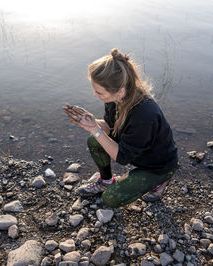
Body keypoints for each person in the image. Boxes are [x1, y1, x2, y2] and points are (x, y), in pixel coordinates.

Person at [63, 48, 178, 208]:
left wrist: (95, 129)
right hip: (137, 151)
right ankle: (106, 181)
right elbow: (109, 127)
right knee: (95, 139)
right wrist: (90, 123)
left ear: (120, 91)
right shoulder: (115, 98)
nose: (95, 95)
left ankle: (160, 181)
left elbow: (122, 158)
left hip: (157, 165)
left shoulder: (144, 115)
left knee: (111, 199)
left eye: (99, 92)